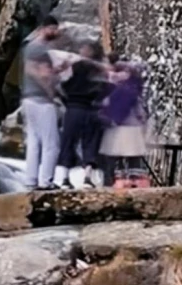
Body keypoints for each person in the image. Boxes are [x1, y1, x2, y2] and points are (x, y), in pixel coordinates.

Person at [59, 40, 110, 187]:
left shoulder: (73, 66)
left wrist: (64, 98)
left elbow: (61, 84)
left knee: (68, 142)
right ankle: (87, 177)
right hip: (93, 109)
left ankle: (64, 178)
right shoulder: (100, 70)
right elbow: (106, 88)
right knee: (90, 143)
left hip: (74, 107)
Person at [19, 20, 64, 188]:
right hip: (42, 100)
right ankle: (46, 181)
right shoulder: (39, 47)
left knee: (34, 142)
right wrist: (50, 91)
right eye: (53, 29)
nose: (56, 32)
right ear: (44, 28)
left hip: (28, 98)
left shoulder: (30, 47)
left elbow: (39, 70)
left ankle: (30, 180)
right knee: (51, 143)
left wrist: (57, 70)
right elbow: (33, 71)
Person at [102, 57, 150, 187]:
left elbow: (118, 107)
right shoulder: (133, 88)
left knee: (115, 156)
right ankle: (133, 181)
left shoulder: (122, 89)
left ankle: (113, 180)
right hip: (131, 127)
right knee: (131, 156)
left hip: (120, 127)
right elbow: (140, 113)